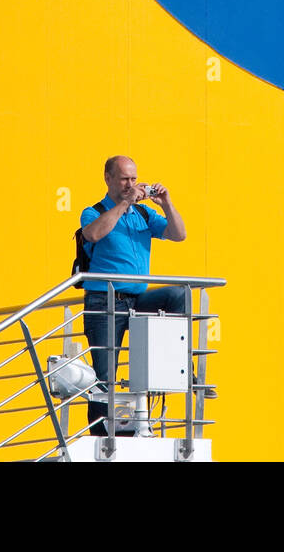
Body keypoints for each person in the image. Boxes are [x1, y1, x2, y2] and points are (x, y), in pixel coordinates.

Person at [79, 155, 205, 437]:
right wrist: (124, 204)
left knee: (176, 296)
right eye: (124, 178)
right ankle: (103, 437)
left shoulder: (144, 214)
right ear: (108, 178)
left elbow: (179, 234)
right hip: (104, 302)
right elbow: (94, 234)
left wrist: (166, 203)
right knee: (105, 375)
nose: (131, 184)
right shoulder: (95, 210)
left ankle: (182, 365)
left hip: (137, 301)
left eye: (134, 179)